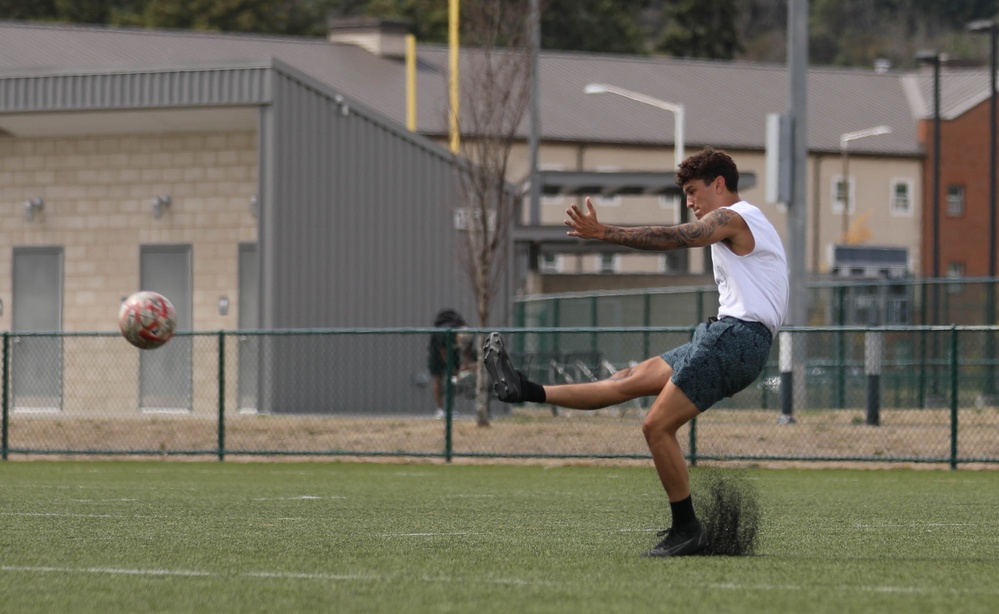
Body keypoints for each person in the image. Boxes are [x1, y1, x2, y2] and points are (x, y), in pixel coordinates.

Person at [482, 148, 788, 557]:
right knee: (626, 381)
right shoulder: (743, 224)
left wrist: (605, 233)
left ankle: (687, 529)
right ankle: (526, 390)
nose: (690, 202)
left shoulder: (736, 216)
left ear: (719, 185)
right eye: (685, 195)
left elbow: (673, 237)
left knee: (655, 426)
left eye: (694, 191)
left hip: (736, 339)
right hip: (723, 336)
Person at [428, 309, 474, 419]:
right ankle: (440, 410)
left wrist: (465, 365)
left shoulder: (467, 335)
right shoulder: (443, 334)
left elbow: (467, 352)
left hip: (453, 352)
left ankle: (450, 409)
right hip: (438, 353)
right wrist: (451, 367)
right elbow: (443, 352)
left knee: (453, 380)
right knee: (438, 379)